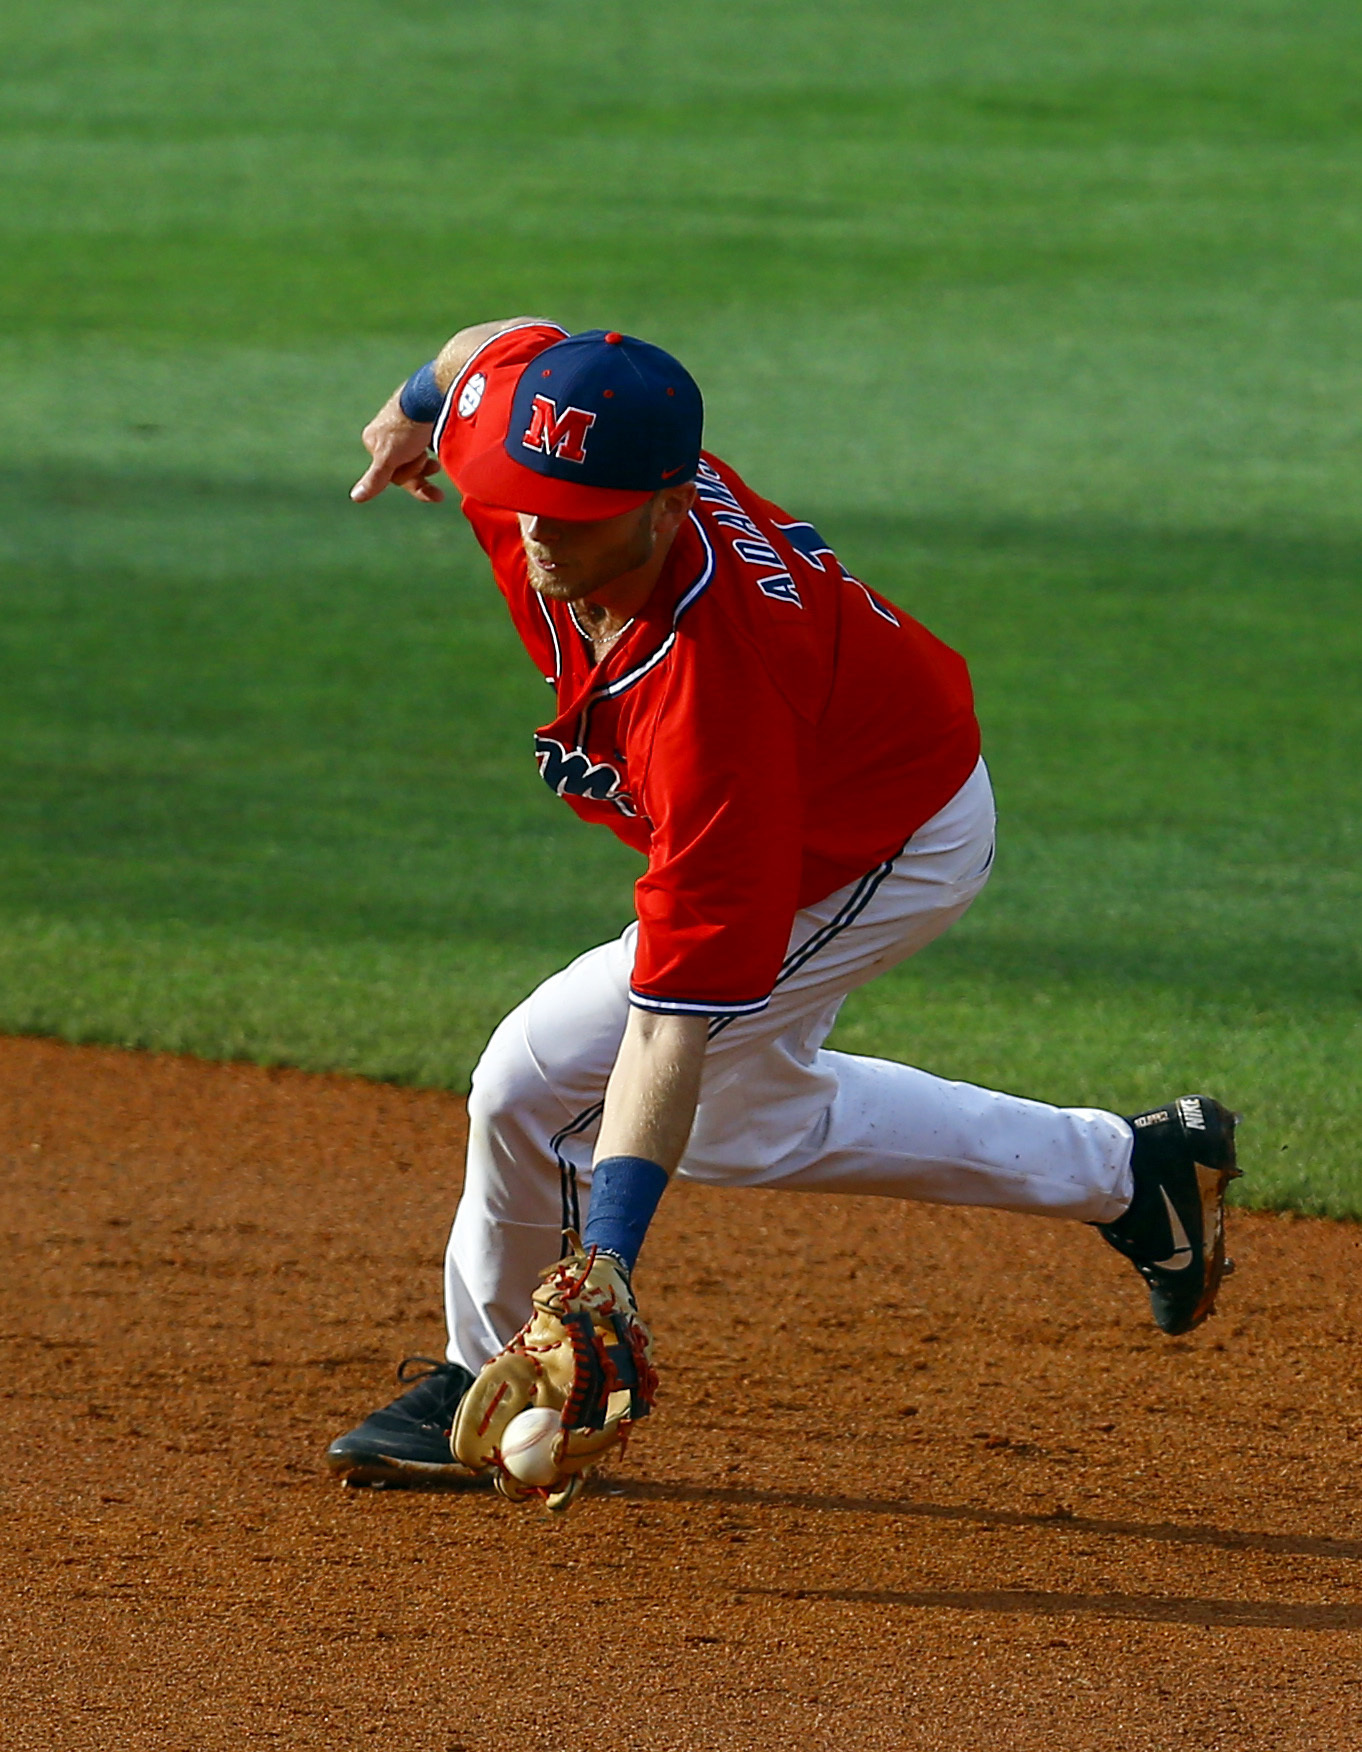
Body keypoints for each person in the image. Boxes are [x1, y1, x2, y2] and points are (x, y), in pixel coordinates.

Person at [326, 319, 1240, 1498]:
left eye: (580, 510)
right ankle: (1135, 1170)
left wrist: (604, 1261)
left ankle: (485, 1376)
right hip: (837, 778)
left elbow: (669, 1019)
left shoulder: (719, 704)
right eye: (524, 491)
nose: (538, 527)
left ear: (668, 505)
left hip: (871, 839)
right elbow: (498, 343)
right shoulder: (539, 456)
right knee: (697, 1115)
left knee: (560, 1094)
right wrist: (414, 404)